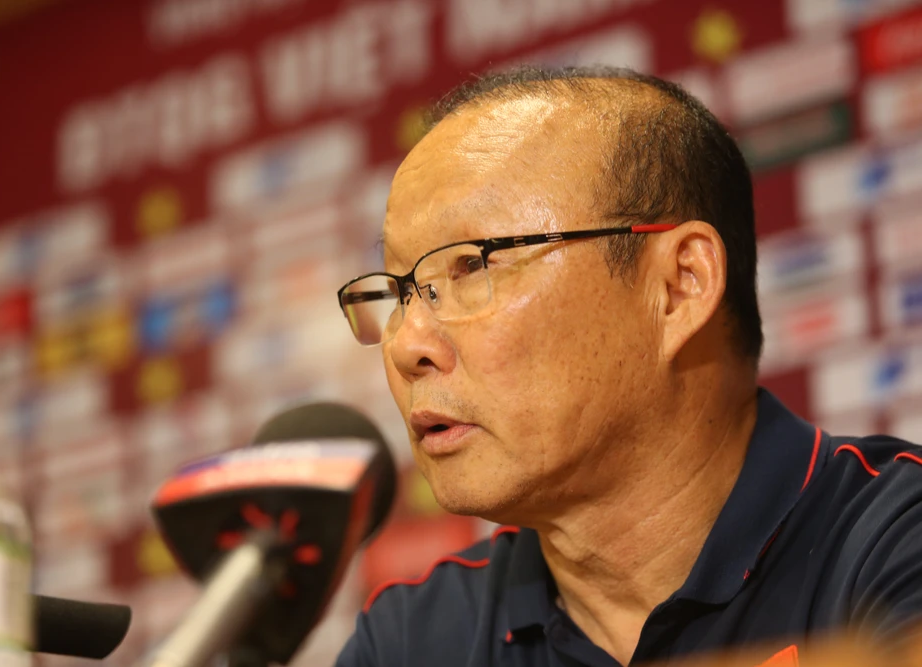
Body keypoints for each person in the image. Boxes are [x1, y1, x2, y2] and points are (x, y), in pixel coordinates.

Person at [333, 66, 922, 667]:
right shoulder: (412, 640)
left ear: (679, 286)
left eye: (471, 266)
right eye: (400, 292)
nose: (407, 345)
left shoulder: (897, 538)